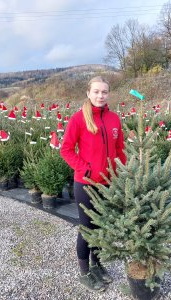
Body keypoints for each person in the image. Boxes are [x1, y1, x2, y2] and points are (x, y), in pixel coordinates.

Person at [60, 76, 126, 291]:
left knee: (101, 226)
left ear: (109, 94)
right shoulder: (79, 119)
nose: (100, 95)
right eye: (96, 91)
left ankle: (97, 265)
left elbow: (120, 150)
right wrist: (85, 169)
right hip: (86, 184)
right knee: (87, 228)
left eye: (104, 92)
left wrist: (121, 172)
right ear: (88, 93)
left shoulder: (114, 119)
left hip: (108, 183)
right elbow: (66, 149)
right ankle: (84, 272)